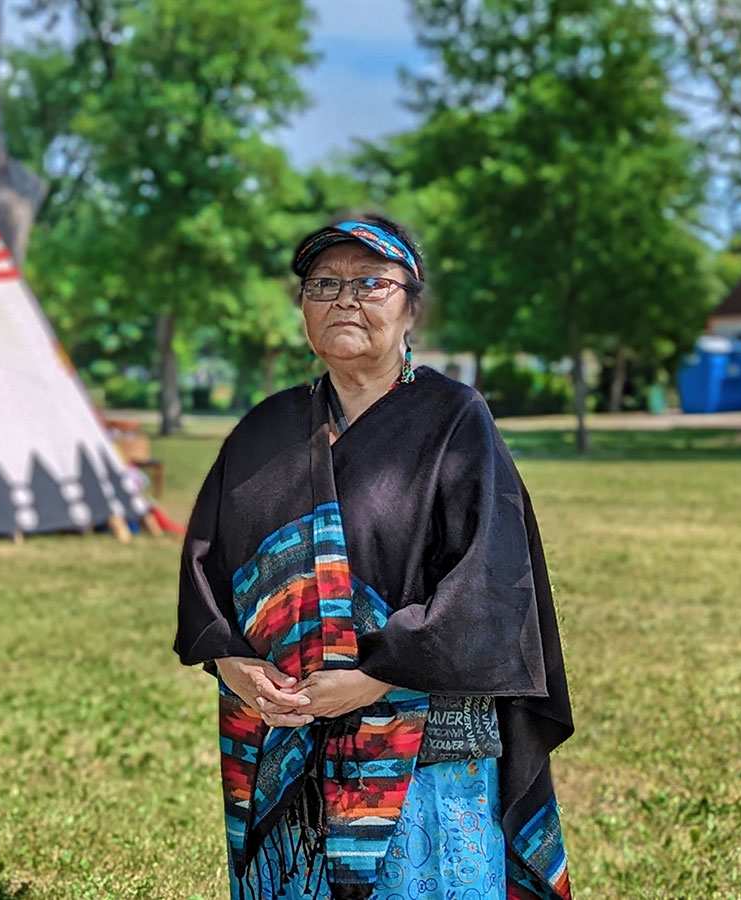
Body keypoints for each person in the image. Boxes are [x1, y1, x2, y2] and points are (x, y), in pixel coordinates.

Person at [174, 217, 573, 900]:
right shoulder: (263, 431)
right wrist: (232, 662)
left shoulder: (454, 419)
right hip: (283, 733)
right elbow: (207, 569)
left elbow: (488, 580)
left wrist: (373, 678)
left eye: (370, 283)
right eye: (323, 285)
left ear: (412, 307)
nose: (344, 299)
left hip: (424, 744)